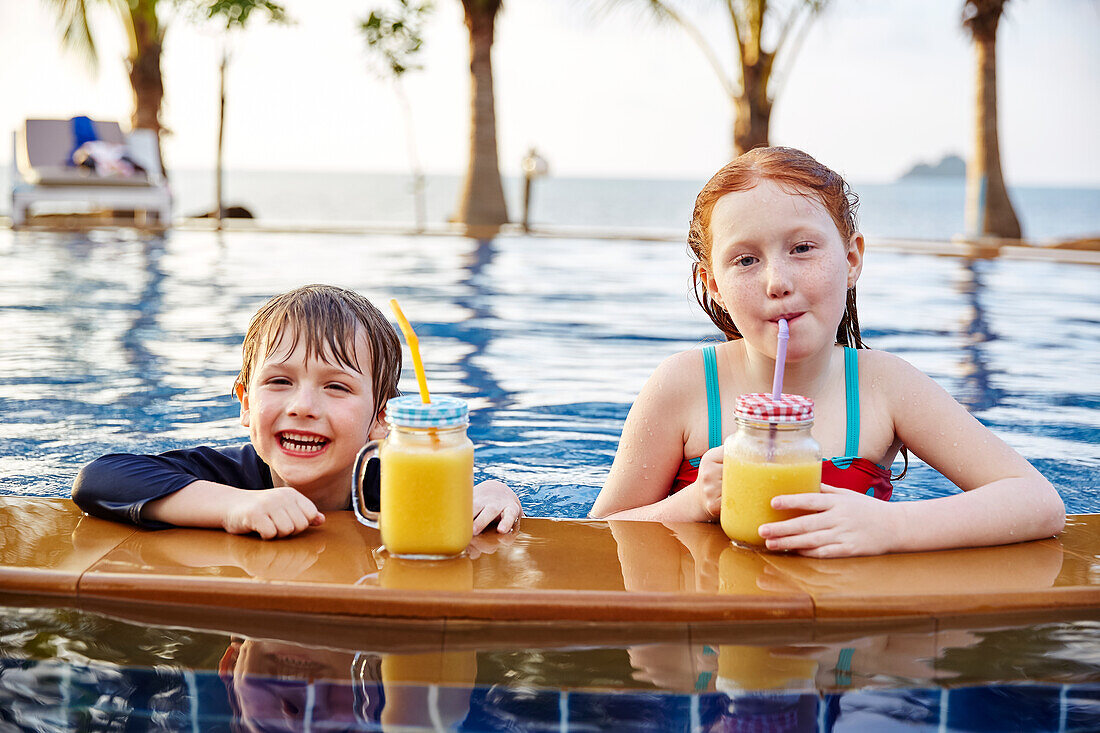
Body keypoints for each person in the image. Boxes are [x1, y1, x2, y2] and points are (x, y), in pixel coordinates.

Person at [590, 147, 1064, 557]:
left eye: (801, 248)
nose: (778, 282)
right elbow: (591, 537)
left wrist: (890, 528)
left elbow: (1037, 502)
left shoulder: (884, 386)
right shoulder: (684, 386)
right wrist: (694, 504)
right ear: (713, 285)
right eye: (745, 260)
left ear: (852, 259)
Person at [72, 284, 521, 539]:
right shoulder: (226, 475)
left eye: (337, 386)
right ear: (247, 404)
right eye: (280, 381)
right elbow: (99, 478)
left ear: (382, 419)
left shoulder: (395, 484)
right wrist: (235, 506)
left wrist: (495, 495)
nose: (303, 407)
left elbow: (463, 509)